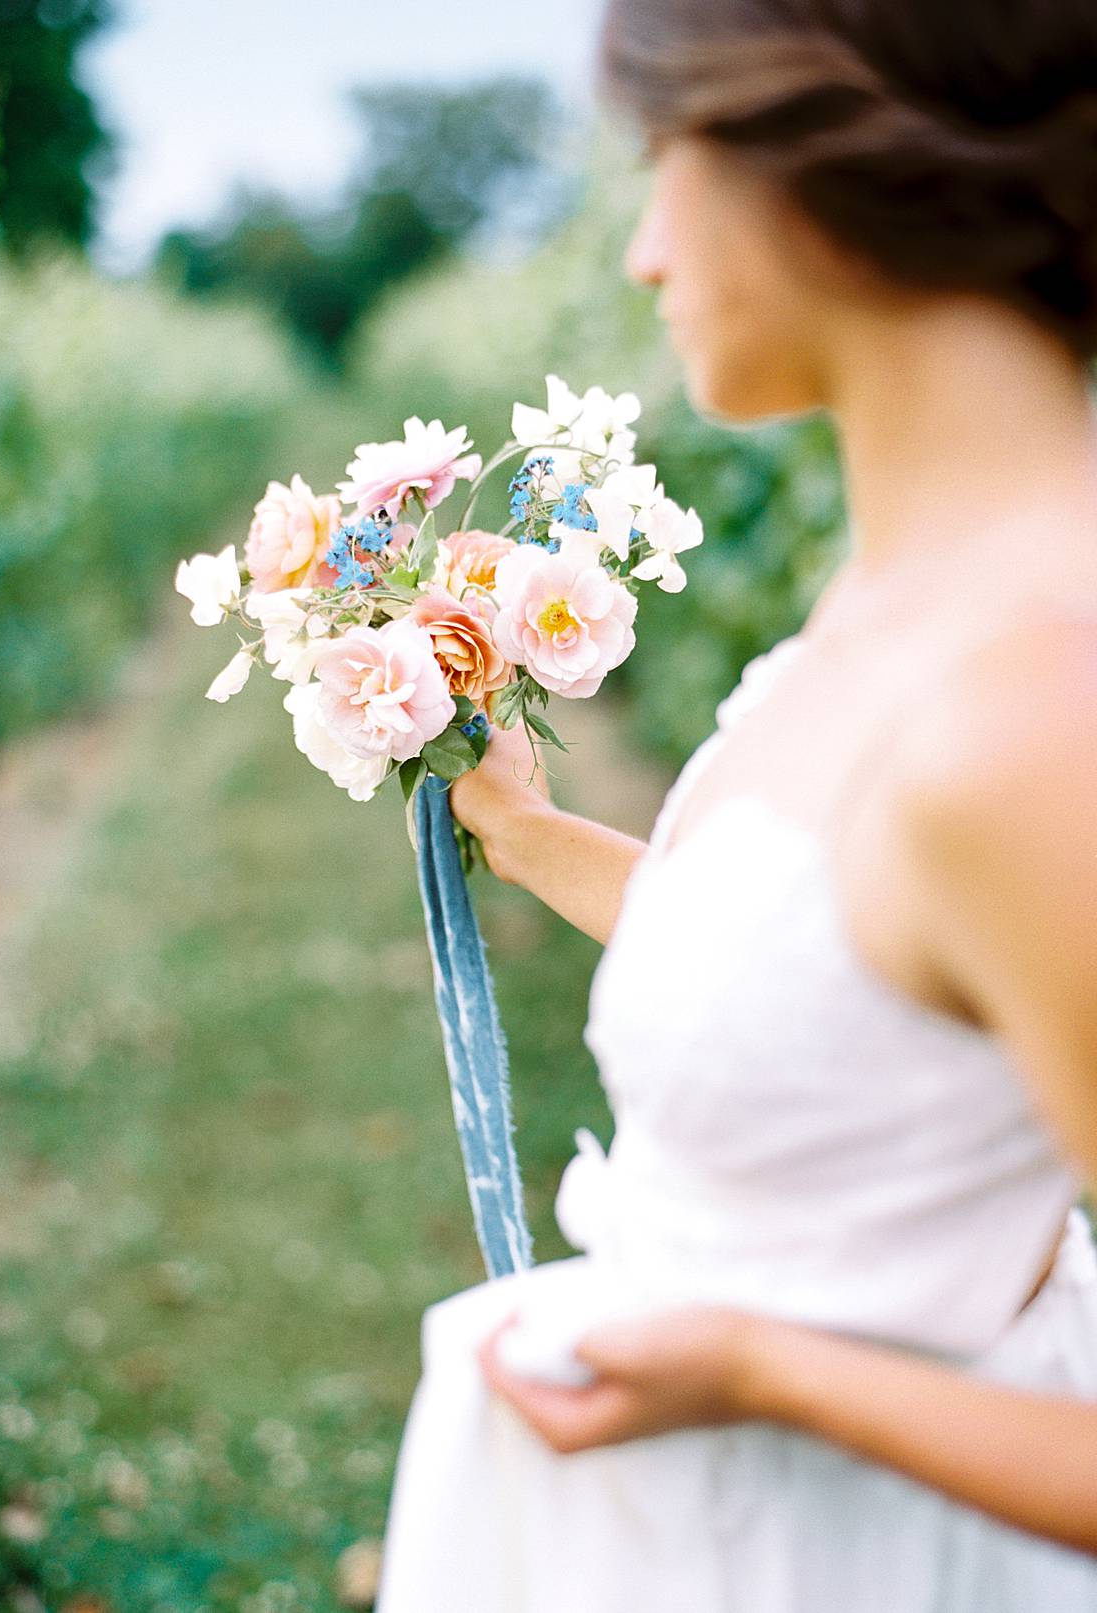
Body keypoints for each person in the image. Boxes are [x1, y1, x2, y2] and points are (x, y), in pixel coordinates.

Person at [374, 0, 1097, 1607]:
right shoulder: (905, 603)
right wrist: (533, 833)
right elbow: (841, 979)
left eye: (662, 164)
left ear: (814, 155)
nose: (640, 252)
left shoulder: (1035, 702)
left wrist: (767, 1372)